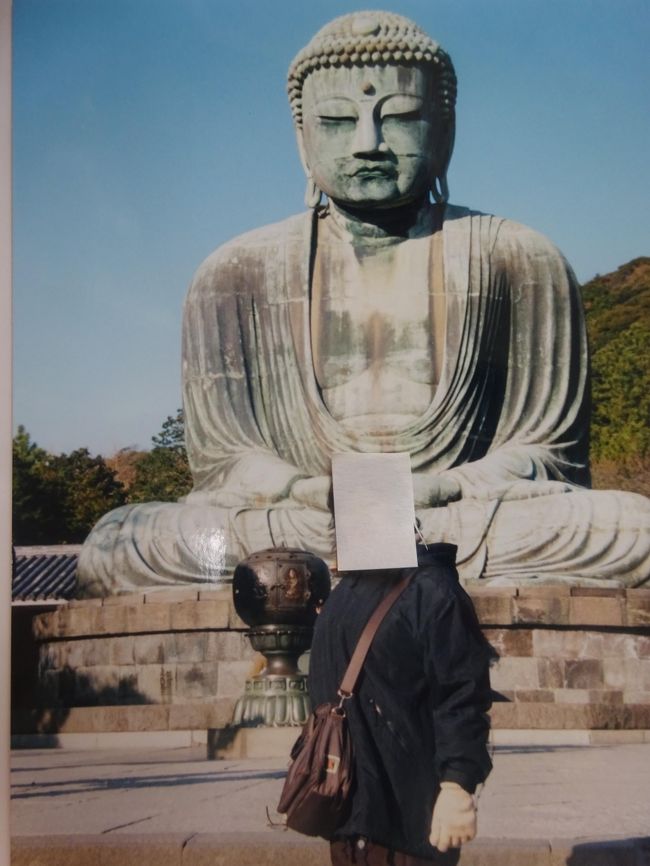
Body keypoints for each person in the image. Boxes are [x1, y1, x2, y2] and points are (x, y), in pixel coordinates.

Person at [77, 11, 650, 596]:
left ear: (445, 129)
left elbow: (545, 453)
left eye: (400, 117)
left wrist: (445, 489)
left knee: (632, 530)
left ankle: (371, 556)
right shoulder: (233, 273)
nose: (368, 143)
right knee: (120, 543)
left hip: (460, 515)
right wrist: (305, 490)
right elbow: (226, 463)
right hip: (302, 518)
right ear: (302, 137)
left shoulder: (520, 257)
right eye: (337, 121)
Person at [308, 542, 495, 864]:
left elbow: (460, 694)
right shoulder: (356, 590)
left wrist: (456, 782)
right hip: (372, 809)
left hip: (380, 809)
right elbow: (461, 694)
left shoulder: (355, 593)